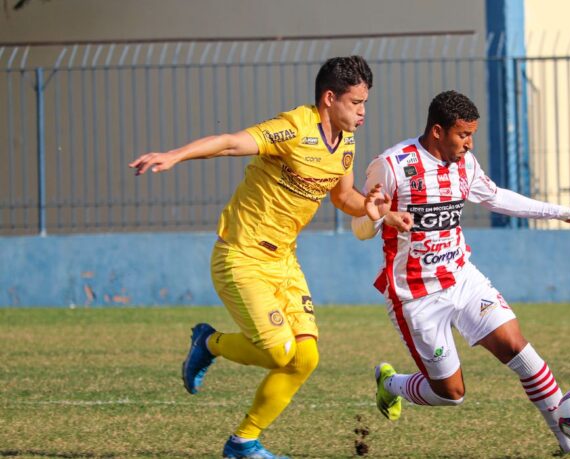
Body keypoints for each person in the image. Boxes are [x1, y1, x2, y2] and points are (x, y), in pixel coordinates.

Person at [130, 56, 409, 459]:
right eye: (356, 102)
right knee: (280, 351)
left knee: (306, 357)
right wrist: (175, 155)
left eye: (366, 103)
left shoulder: (346, 141)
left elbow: (342, 196)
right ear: (330, 98)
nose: (363, 112)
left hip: (284, 262)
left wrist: (375, 208)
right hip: (240, 256)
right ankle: (209, 343)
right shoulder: (294, 127)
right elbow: (230, 142)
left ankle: (243, 442)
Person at [351, 90, 570, 458]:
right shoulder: (393, 165)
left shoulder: (466, 164)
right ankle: (392, 384)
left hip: (462, 278)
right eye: (463, 134)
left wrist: (565, 211)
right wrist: (377, 215)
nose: (469, 143)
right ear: (437, 131)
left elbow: (498, 198)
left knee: (519, 348)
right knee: (451, 395)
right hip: (415, 295)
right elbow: (359, 227)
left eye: (471, 134)